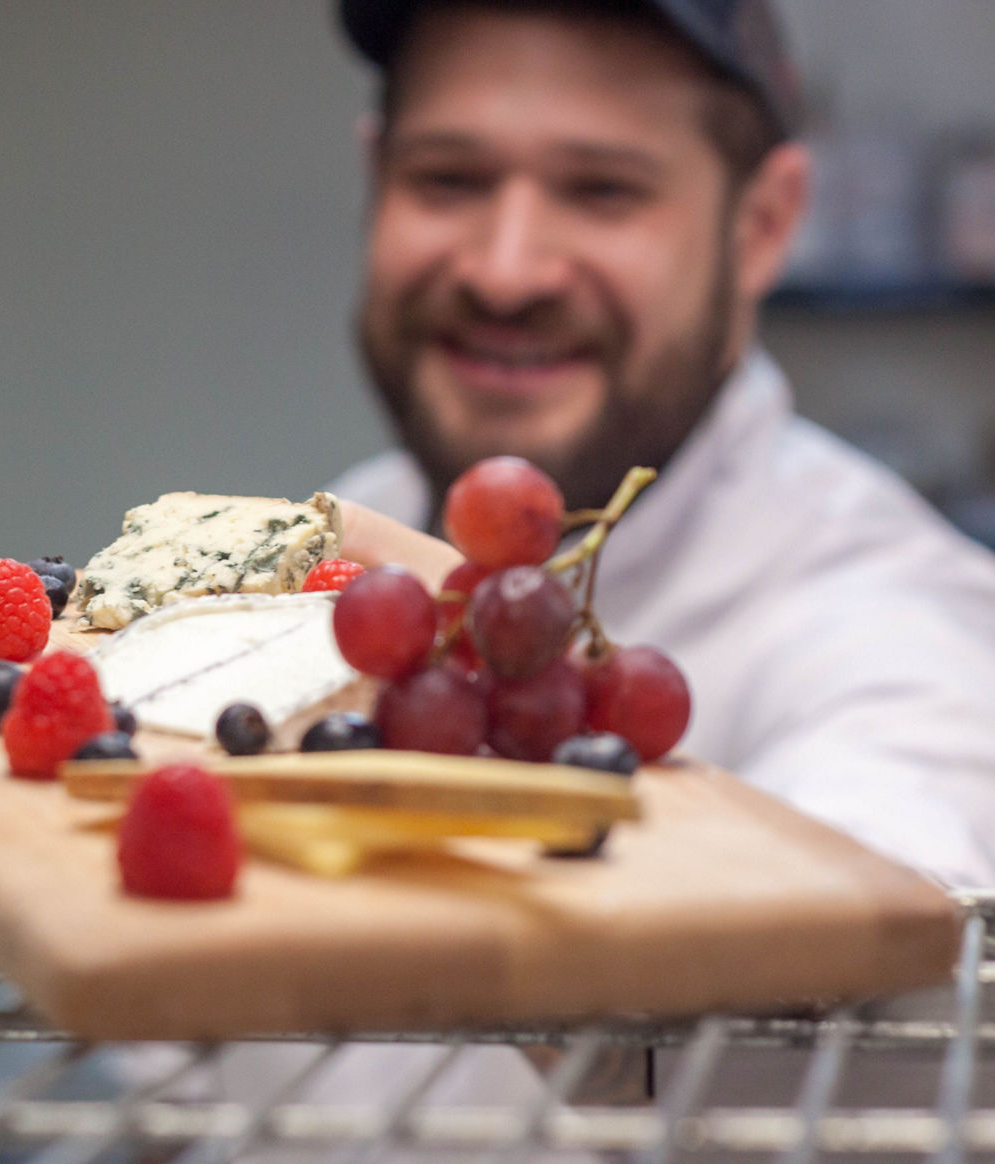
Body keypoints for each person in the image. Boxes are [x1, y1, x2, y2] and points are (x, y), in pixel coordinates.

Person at [330, 0, 995, 887]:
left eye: (602, 190)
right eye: (449, 178)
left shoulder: (900, 630)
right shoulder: (358, 528)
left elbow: (883, 886)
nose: (506, 270)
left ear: (760, 227)